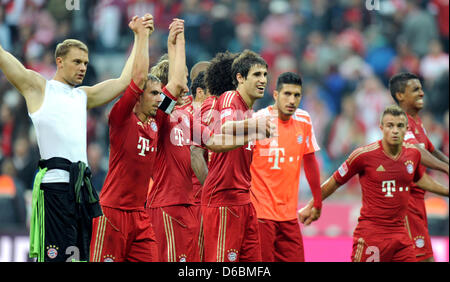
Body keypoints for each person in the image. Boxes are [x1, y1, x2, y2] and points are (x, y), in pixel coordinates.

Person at [0, 12, 154, 262]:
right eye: (77, 62)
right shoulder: (39, 88)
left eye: (85, 62)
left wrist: (139, 36)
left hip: (82, 190)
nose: (83, 67)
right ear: (59, 62)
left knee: (80, 258)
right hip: (55, 189)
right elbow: (4, 57)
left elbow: (127, 81)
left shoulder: (84, 96)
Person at [299, 105, 449, 262]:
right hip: (372, 234)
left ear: (406, 129)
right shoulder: (364, 155)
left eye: (399, 126)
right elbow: (335, 181)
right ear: (381, 127)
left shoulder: (413, 154)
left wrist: (447, 191)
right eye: (390, 125)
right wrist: (312, 205)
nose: (395, 130)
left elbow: (419, 179)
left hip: (401, 235)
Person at [89, 14, 176, 262]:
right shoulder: (120, 117)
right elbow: (137, 79)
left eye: (160, 94)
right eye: (153, 94)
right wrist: (142, 36)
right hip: (112, 213)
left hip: (140, 215)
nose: (160, 98)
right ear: (138, 97)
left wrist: (174, 45)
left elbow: (177, 86)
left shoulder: (158, 121)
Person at [201, 49, 272, 262]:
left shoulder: (248, 112)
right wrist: (257, 125)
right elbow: (225, 125)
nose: (263, 80)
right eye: (256, 75)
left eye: (265, 75)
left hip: (243, 201)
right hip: (223, 200)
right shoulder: (231, 97)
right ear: (239, 78)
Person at [249, 72, 322, 262]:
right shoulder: (258, 121)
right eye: (287, 94)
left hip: (289, 216)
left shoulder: (304, 120)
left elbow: (310, 160)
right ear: (275, 95)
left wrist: (317, 201)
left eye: (297, 95)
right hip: (260, 215)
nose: (292, 100)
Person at [389, 72, 449, 262]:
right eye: (415, 89)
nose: (422, 93)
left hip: (416, 201)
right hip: (404, 204)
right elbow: (418, 152)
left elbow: (431, 149)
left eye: (421, 89)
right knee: (423, 258)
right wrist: (446, 169)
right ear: (400, 95)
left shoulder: (416, 122)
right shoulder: (399, 122)